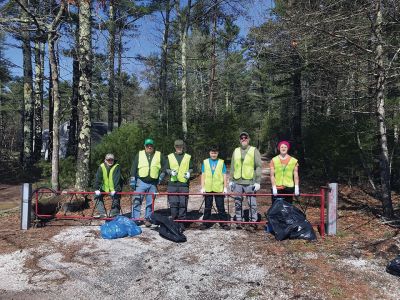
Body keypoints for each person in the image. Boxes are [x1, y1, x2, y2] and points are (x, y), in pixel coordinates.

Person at [229, 131, 262, 232]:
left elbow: (258, 166)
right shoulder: (236, 151)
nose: (243, 139)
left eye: (245, 138)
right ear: (240, 140)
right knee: (238, 202)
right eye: (242, 138)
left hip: (250, 182)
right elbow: (233, 167)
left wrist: (258, 181)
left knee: (252, 203)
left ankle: (253, 222)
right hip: (238, 181)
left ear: (248, 139)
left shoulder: (254, 150)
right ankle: (239, 221)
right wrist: (231, 180)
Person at [130, 138, 165, 227]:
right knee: (137, 200)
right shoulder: (140, 154)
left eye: (151, 145)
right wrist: (132, 179)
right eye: (147, 145)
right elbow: (134, 166)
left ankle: (148, 219)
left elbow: (166, 165)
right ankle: (135, 219)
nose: (149, 147)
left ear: (153, 146)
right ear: (145, 146)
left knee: (150, 202)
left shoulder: (159, 154)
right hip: (140, 182)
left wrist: (162, 175)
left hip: (153, 183)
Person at [200, 145, 230, 230]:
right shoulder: (205, 162)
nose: (213, 154)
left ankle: (224, 223)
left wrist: (225, 187)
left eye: (215, 153)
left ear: (218, 153)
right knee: (207, 206)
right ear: (209, 153)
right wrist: (202, 187)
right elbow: (203, 175)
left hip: (218, 188)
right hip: (208, 188)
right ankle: (205, 223)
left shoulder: (221, 162)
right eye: (212, 153)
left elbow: (224, 175)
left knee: (220, 206)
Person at [166, 139, 193, 225]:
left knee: (183, 203)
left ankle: (182, 222)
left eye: (180, 146)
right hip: (172, 184)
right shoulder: (170, 156)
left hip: (183, 184)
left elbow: (191, 167)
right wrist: (170, 172)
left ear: (183, 147)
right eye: (177, 146)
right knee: (173, 204)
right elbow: (166, 168)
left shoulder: (188, 157)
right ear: (175, 147)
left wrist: (189, 172)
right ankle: (174, 221)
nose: (179, 148)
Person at [93, 153, 122, 218]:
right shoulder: (101, 167)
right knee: (96, 196)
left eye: (112, 160)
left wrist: (115, 190)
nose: (110, 161)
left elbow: (117, 179)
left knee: (116, 197)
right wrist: (96, 189)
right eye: (108, 160)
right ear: (105, 160)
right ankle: (102, 213)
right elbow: (98, 178)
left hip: (114, 188)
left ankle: (114, 213)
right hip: (104, 187)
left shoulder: (116, 167)